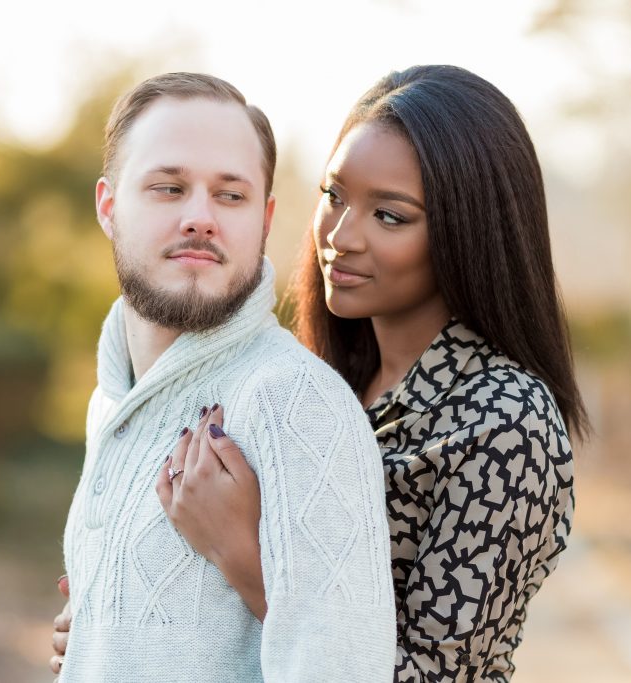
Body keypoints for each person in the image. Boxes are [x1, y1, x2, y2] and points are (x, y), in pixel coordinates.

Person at [53, 65, 586, 682]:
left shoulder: (503, 420)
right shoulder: (325, 376)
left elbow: (435, 676)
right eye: (334, 197)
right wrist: (111, 628)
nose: (339, 235)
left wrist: (240, 553)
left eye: (389, 216)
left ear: (466, 235)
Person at [52, 72, 397, 682]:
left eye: (229, 196)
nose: (200, 218)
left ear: (264, 219)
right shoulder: (110, 403)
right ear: (108, 206)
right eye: (168, 187)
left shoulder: (296, 403)